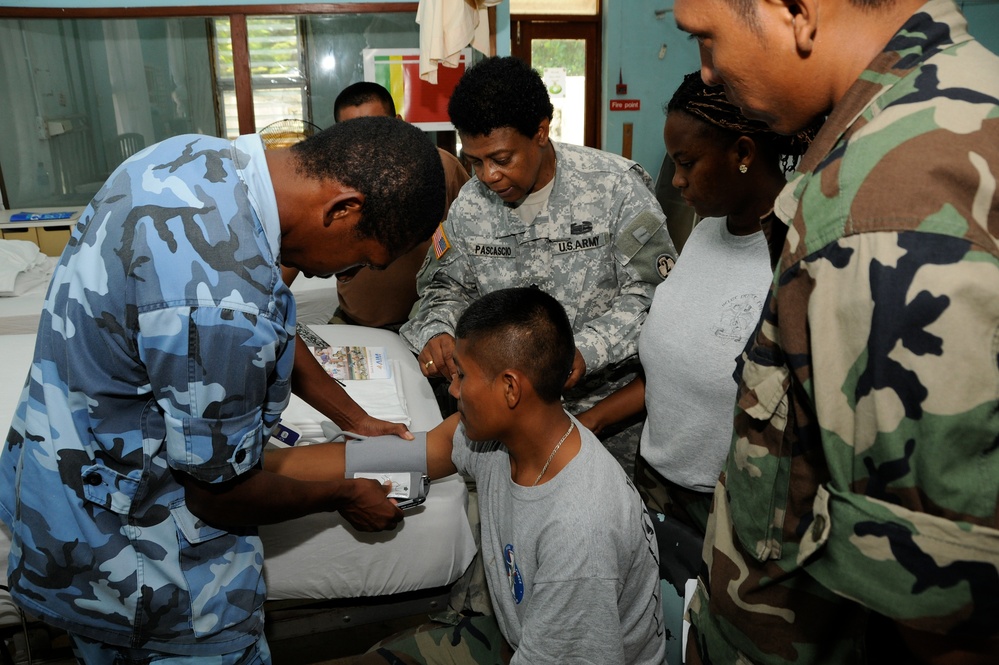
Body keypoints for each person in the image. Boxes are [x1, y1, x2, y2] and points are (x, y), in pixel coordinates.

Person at [0, 117, 446, 662]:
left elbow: (270, 320)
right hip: (130, 562)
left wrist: (356, 419)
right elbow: (218, 494)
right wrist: (344, 493)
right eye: (360, 259)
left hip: (54, 477)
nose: (345, 274)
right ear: (342, 211)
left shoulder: (193, 159)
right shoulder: (224, 308)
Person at [672, 0, 999, 663]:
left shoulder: (878, 205)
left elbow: (933, 607)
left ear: (792, 11)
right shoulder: (961, 93)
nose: (705, 72)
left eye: (707, 38)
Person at [268, 287, 666, 664]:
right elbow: (389, 454)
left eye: (462, 375)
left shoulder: (579, 530)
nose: (453, 390)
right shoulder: (505, 438)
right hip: (523, 638)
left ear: (510, 388)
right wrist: (262, 469)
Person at [400, 56, 676, 473]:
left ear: (541, 133)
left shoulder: (615, 187)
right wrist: (438, 329)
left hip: (604, 420)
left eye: (501, 158)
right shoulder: (471, 205)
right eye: (475, 161)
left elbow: (655, 295)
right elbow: (446, 287)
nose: (488, 175)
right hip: (506, 427)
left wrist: (585, 349)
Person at [576, 72, 813, 535]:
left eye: (687, 163)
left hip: (736, 510)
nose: (678, 182)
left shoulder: (795, 256)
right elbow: (672, 371)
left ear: (742, 154)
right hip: (659, 485)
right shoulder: (705, 232)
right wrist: (590, 422)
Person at [282, 81, 470, 330]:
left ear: (399, 123)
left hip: (430, 324)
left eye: (377, 130)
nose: (367, 144)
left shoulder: (440, 167)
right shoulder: (328, 184)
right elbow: (291, 252)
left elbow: (475, 233)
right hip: (356, 322)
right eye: (353, 134)